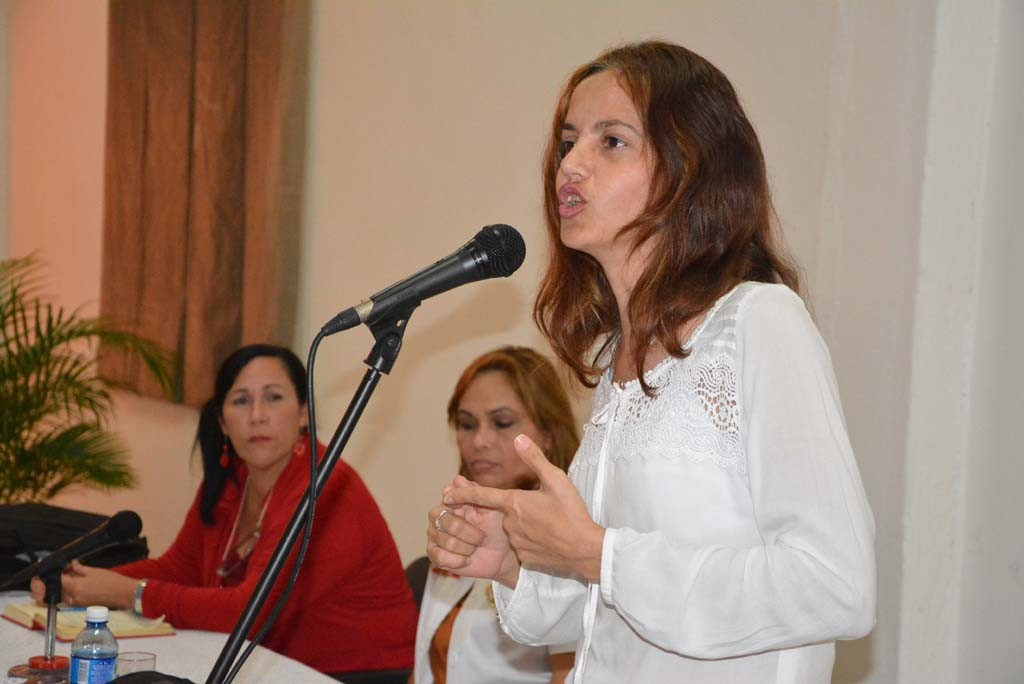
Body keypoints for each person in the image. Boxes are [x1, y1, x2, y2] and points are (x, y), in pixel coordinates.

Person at [425, 41, 876, 684]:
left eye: (612, 142)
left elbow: (835, 584)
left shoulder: (758, 323)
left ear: (690, 168)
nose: (570, 166)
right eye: (568, 140)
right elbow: (607, 614)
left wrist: (602, 555)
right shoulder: (617, 357)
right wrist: (514, 561)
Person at [31, 344, 417, 677]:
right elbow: (178, 570)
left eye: (274, 397)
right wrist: (85, 583)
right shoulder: (232, 476)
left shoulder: (326, 487)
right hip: (267, 664)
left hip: (354, 675)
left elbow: (248, 612)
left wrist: (128, 592)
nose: (258, 416)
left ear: (304, 412)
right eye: (241, 401)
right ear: (222, 421)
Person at [412, 346, 579, 684]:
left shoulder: (568, 539)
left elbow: (572, 674)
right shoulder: (455, 524)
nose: (480, 441)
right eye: (466, 424)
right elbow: (426, 667)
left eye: (502, 423)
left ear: (547, 433)